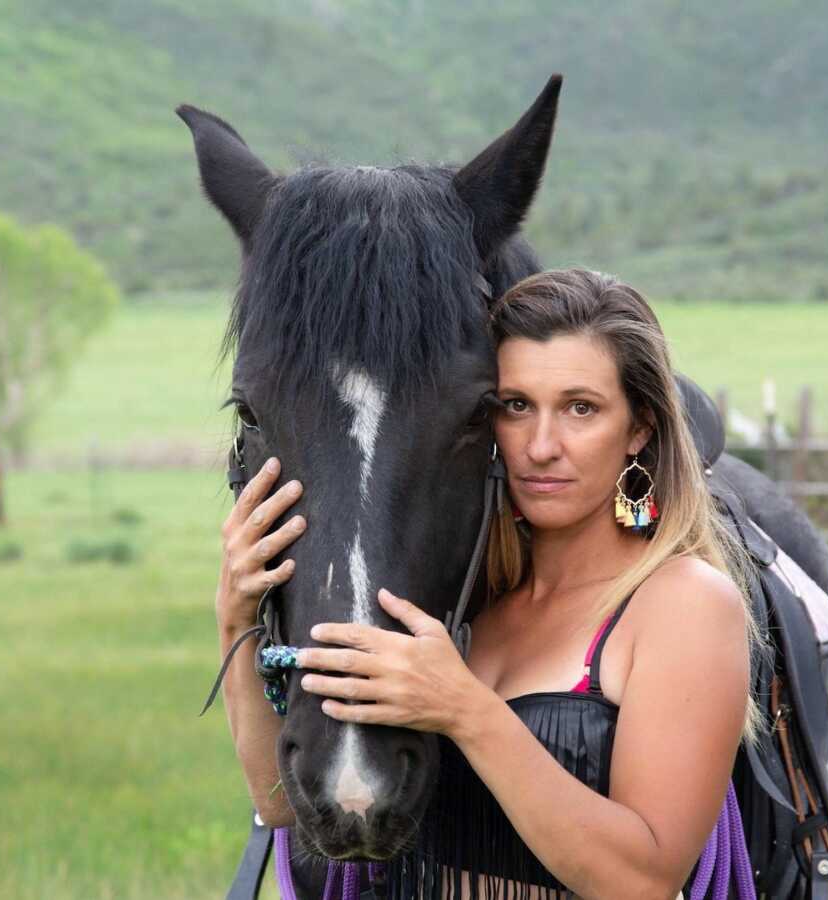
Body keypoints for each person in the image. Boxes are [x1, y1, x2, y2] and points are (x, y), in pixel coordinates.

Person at [215, 267, 763, 899]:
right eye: (517, 407)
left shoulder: (682, 603)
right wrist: (237, 615)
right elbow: (283, 807)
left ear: (639, 427)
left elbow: (643, 880)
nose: (541, 445)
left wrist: (465, 712)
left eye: (580, 408)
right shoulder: (470, 601)